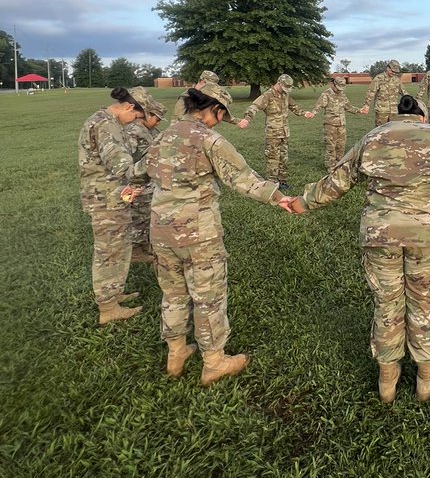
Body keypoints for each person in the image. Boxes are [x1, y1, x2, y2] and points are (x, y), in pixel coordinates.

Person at [286, 95, 430, 403]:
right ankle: (426, 372)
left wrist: (303, 202)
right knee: (423, 301)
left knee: (387, 304)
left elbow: (339, 179)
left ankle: (387, 374)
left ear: (397, 117)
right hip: (427, 237)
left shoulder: (374, 137)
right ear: (421, 117)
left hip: (381, 236)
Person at [147, 84, 298, 383]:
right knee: (208, 297)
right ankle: (214, 362)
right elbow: (242, 178)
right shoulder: (210, 140)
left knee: (173, 294)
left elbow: (141, 169)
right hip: (197, 233)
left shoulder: (164, 135)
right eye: (222, 115)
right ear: (214, 109)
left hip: (161, 230)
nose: (220, 121)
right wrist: (278, 197)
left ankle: (176, 353)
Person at [78, 87, 151, 325]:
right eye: (138, 117)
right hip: (105, 200)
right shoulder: (105, 124)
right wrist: (155, 162)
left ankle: (114, 292)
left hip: (113, 196)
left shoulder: (107, 120)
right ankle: (108, 308)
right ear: (129, 107)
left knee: (118, 247)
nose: (136, 122)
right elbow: (120, 164)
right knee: (109, 251)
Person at [123, 87, 168, 262]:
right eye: (155, 118)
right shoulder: (133, 130)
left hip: (149, 179)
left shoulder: (148, 129)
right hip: (137, 180)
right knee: (139, 215)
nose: (157, 122)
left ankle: (146, 246)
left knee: (148, 214)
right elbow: (126, 157)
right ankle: (136, 250)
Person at [237, 74, 304, 189]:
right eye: (284, 87)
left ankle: (282, 182)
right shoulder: (267, 95)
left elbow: (294, 107)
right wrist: (247, 119)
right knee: (273, 158)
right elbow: (254, 107)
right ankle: (272, 185)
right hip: (273, 133)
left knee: (284, 158)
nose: (285, 90)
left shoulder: (285, 95)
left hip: (284, 132)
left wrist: (304, 113)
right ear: (278, 83)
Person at [304, 73, 363, 170]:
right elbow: (318, 106)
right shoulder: (326, 94)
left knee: (341, 146)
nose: (339, 90)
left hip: (341, 125)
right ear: (333, 84)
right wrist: (313, 113)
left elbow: (349, 107)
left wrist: (359, 110)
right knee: (331, 146)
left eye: (342, 88)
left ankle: (339, 164)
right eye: (338, 87)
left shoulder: (342, 94)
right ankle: (330, 167)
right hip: (330, 125)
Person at [361, 60, 402, 126]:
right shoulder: (379, 78)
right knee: (380, 131)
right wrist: (366, 105)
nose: (394, 73)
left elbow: (403, 92)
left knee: (393, 131)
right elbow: (371, 92)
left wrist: (411, 102)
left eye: (395, 72)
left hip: (394, 111)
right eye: (392, 71)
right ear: (388, 68)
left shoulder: (396, 79)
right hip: (382, 111)